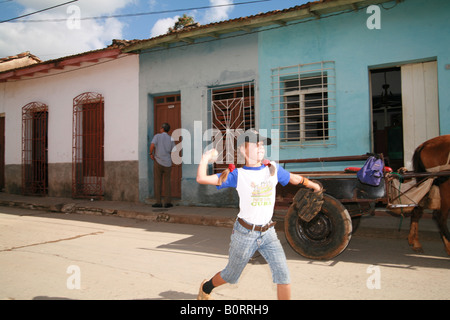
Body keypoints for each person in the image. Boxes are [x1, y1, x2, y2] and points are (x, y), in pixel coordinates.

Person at [196, 129, 321, 300]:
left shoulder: (273, 169)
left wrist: (312, 185)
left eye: (262, 144)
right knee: (230, 275)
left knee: (283, 276)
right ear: (243, 149)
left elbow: (293, 178)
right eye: (256, 144)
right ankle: (207, 286)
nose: (261, 148)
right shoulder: (238, 175)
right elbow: (202, 178)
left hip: (268, 232)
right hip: (244, 234)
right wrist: (205, 158)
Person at [150, 123, 175, 208]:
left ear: (162, 129)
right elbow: (173, 150)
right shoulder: (171, 138)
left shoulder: (157, 136)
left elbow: (152, 145)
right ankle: (167, 202)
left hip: (158, 161)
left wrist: (151, 153)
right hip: (167, 163)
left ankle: (158, 202)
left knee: (158, 182)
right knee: (167, 182)